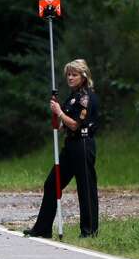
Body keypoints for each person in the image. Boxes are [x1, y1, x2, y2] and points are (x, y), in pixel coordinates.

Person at [24, 59, 100, 238]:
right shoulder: (73, 96)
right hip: (71, 145)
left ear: (83, 76)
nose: (70, 78)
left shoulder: (86, 97)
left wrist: (59, 113)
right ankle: (42, 228)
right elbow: (67, 122)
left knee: (86, 188)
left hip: (82, 144)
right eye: (68, 74)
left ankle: (89, 232)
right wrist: (59, 122)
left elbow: (75, 124)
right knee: (52, 183)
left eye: (74, 74)